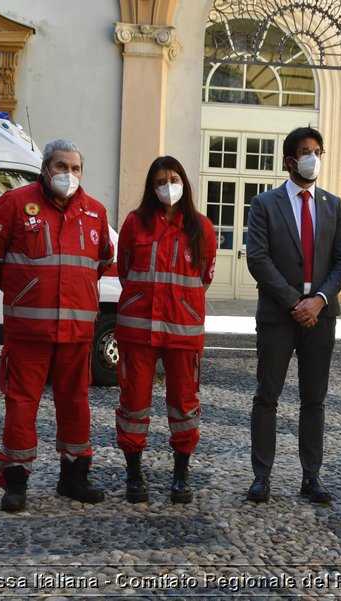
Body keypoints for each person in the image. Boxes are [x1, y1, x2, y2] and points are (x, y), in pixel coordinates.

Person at [0, 139, 113, 512]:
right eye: (61, 166)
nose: (69, 174)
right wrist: (23, 289)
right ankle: (15, 482)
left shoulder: (95, 211)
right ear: (45, 168)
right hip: (28, 332)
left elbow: (101, 262)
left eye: (76, 168)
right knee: (21, 405)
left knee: (76, 404)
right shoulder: (15, 204)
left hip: (77, 333)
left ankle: (74, 478)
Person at [244, 126, 341, 505]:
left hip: (320, 317)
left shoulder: (332, 205)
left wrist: (319, 300)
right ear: (290, 160)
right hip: (279, 316)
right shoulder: (264, 204)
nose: (313, 158)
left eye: (318, 151)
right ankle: (262, 476)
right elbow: (257, 258)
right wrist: (295, 302)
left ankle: (312, 476)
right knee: (266, 397)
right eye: (306, 151)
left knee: (314, 400)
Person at [114, 156, 216, 505]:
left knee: (184, 405)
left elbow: (205, 277)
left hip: (183, 332)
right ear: (151, 186)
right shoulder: (134, 223)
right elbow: (124, 271)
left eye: (173, 178)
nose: (167, 186)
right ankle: (134, 474)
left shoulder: (201, 228)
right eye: (160, 181)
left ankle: (180, 475)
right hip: (138, 331)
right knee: (133, 404)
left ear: (184, 182)